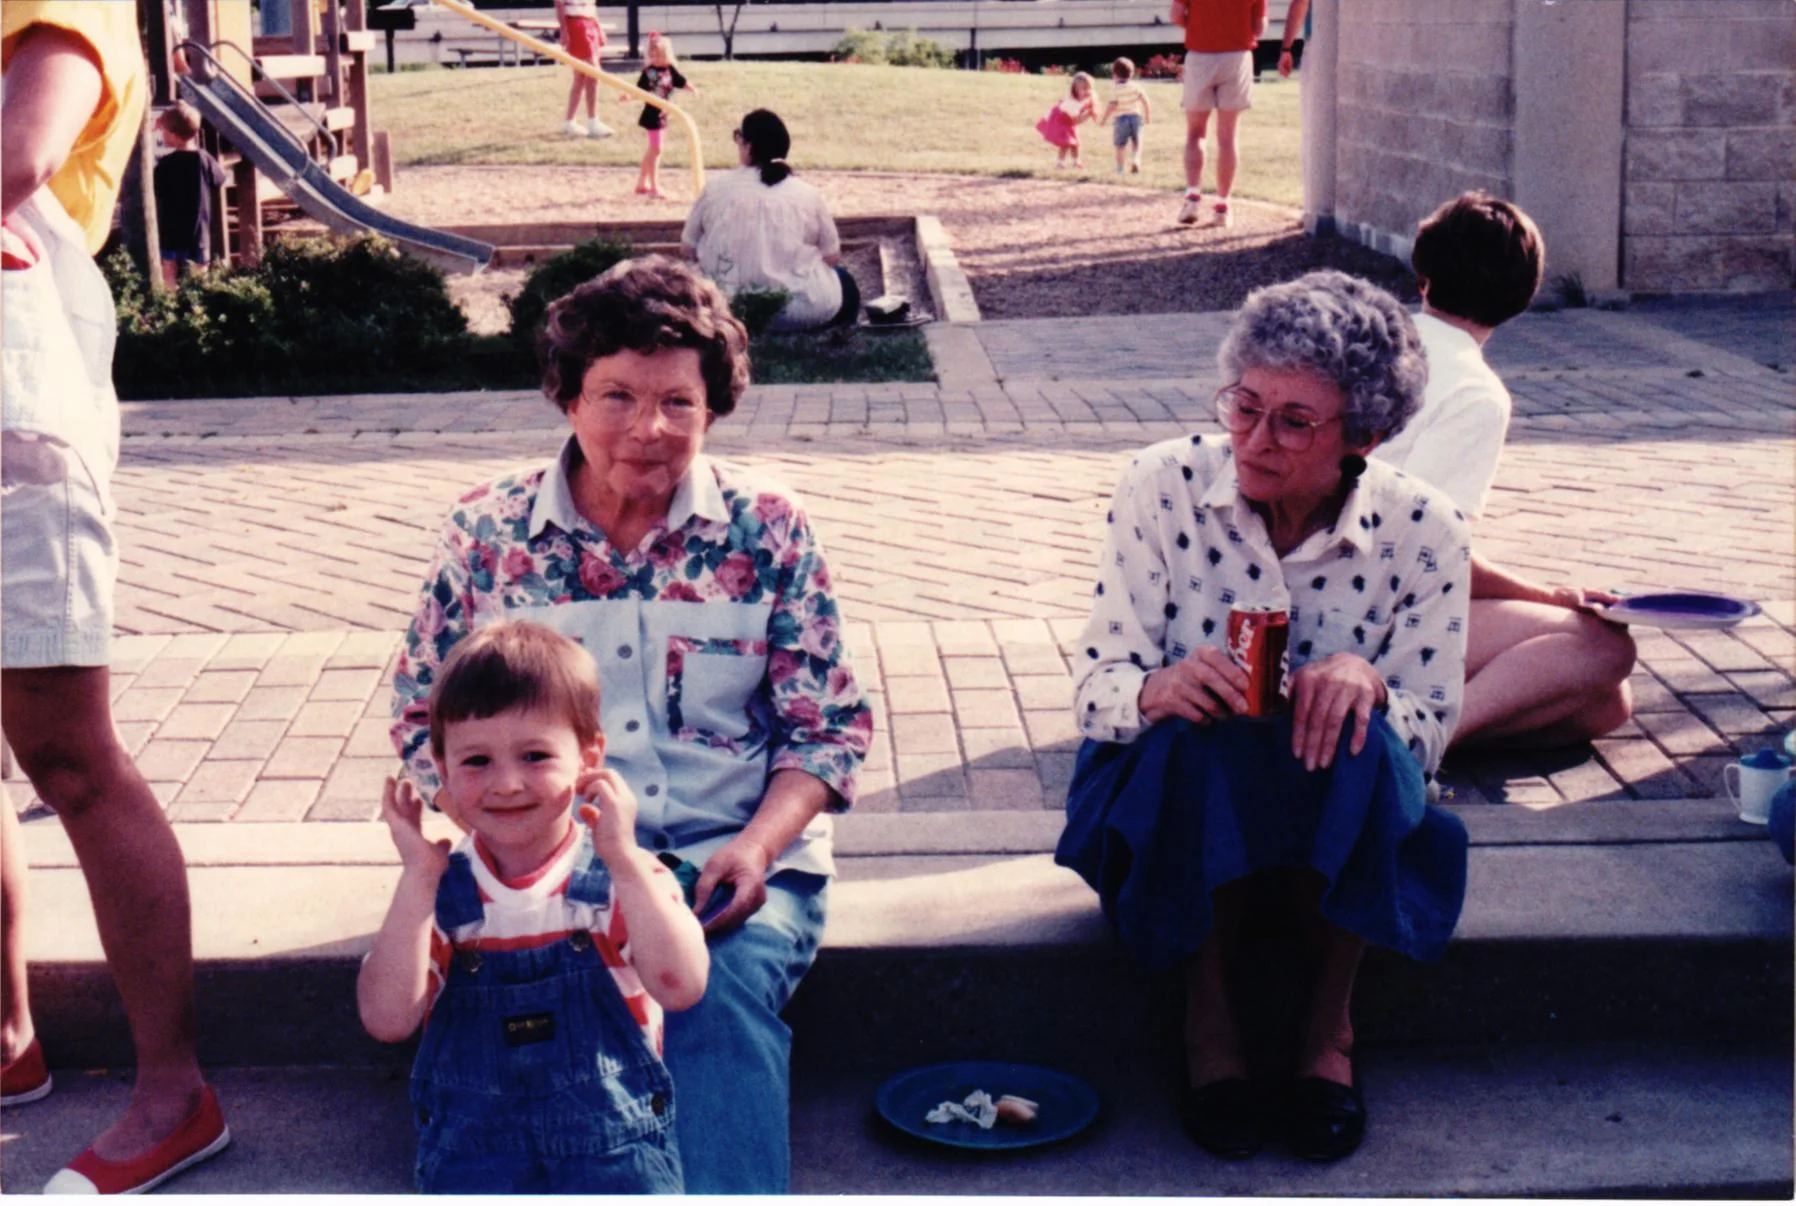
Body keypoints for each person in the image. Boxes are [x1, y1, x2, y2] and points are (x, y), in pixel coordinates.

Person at [389, 255, 872, 1192]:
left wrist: (756, 850)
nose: (648, 429)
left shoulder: (769, 528)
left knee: (709, 995)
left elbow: (827, 729)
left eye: (677, 403)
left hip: (729, 860)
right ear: (567, 397)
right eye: (617, 396)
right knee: (512, 999)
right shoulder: (488, 533)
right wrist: (513, 843)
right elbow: (421, 715)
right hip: (541, 864)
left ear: (713, 408)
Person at [1056, 270, 1472, 1163]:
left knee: (1360, 733)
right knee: (1195, 739)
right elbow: (1095, 689)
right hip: (1172, 797)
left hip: (1335, 803)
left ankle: (1329, 1034)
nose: (1254, 439)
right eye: (1244, 406)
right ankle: (1210, 1031)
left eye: (1293, 422)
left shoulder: (1425, 530)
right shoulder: (1162, 484)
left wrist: (1371, 685)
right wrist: (1157, 689)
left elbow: (1432, 732)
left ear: (1363, 438)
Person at [1, 1, 230, 1193]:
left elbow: (17, 158)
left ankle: (173, 1093)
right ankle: (8, 1040)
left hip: (15, 422)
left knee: (68, 758)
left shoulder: (62, 7)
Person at [361, 622, 708, 1193]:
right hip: (474, 1163)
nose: (507, 783)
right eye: (477, 761)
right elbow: (386, 1018)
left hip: (615, 1158)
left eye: (535, 755)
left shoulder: (621, 877)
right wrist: (417, 878)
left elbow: (682, 986)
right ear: (442, 770)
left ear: (589, 757)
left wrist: (624, 860)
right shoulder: (442, 894)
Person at [1373, 191, 1637, 748]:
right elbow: (1427, 553)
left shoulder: (1377, 341)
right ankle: (1411, 744)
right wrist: (1552, 597)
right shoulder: (1474, 392)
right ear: (1521, 297)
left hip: (1319, 586)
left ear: (1424, 277)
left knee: (1605, 705)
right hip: (1368, 609)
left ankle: (1395, 721)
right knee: (1605, 649)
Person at [680, 109, 861, 332]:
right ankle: (836, 339)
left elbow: (688, 249)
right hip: (799, 309)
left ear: (747, 146)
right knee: (845, 283)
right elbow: (831, 256)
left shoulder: (714, 188)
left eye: (738, 137)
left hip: (727, 309)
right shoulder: (807, 193)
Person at [1170, 0, 1265, 227]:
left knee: (1195, 133)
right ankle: (1222, 206)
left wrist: (1200, 25)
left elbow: (1176, 15)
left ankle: (1193, 197)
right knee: (1228, 136)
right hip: (1237, 57)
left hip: (1200, 55)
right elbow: (1259, 26)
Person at [151, 101, 226, 286]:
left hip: (171, 230)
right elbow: (219, 180)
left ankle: (170, 301)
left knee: (169, 271)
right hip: (199, 232)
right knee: (200, 274)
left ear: (174, 135)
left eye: (163, 131)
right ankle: (199, 302)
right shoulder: (204, 159)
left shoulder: (166, 164)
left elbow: (155, 190)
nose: (161, 134)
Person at [625, 33, 693, 200]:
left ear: (666, 55)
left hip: (663, 114)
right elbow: (638, 90)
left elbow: (681, 82)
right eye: (652, 55)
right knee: (656, 149)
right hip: (652, 114)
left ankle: (641, 183)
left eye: (658, 55)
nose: (654, 58)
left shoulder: (670, 70)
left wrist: (693, 89)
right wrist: (628, 96)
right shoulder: (648, 72)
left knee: (653, 150)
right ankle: (654, 186)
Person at [555, 0, 612, 139]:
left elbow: (591, 4)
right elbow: (559, 3)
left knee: (581, 76)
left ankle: (569, 121)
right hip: (575, 22)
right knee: (593, 72)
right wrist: (564, 29)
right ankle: (593, 121)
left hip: (590, 21)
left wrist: (598, 27)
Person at [1035, 71, 1100, 170]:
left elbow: (1092, 104)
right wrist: (1089, 114)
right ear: (1075, 90)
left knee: (1076, 143)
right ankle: (1060, 164)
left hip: (1069, 121)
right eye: (1084, 89)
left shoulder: (1086, 96)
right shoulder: (1072, 103)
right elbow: (1076, 121)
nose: (1087, 91)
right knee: (1065, 143)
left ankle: (1076, 162)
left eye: (1089, 88)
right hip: (1060, 120)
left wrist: (1093, 111)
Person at [1101, 57, 1151, 176]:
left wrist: (1103, 119)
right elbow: (1145, 101)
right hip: (1136, 118)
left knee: (1120, 146)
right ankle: (1136, 159)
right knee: (1137, 142)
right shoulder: (1136, 87)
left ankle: (1120, 169)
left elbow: (1112, 106)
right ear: (1131, 73)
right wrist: (1147, 115)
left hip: (1121, 119)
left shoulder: (1115, 90)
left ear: (1115, 74)